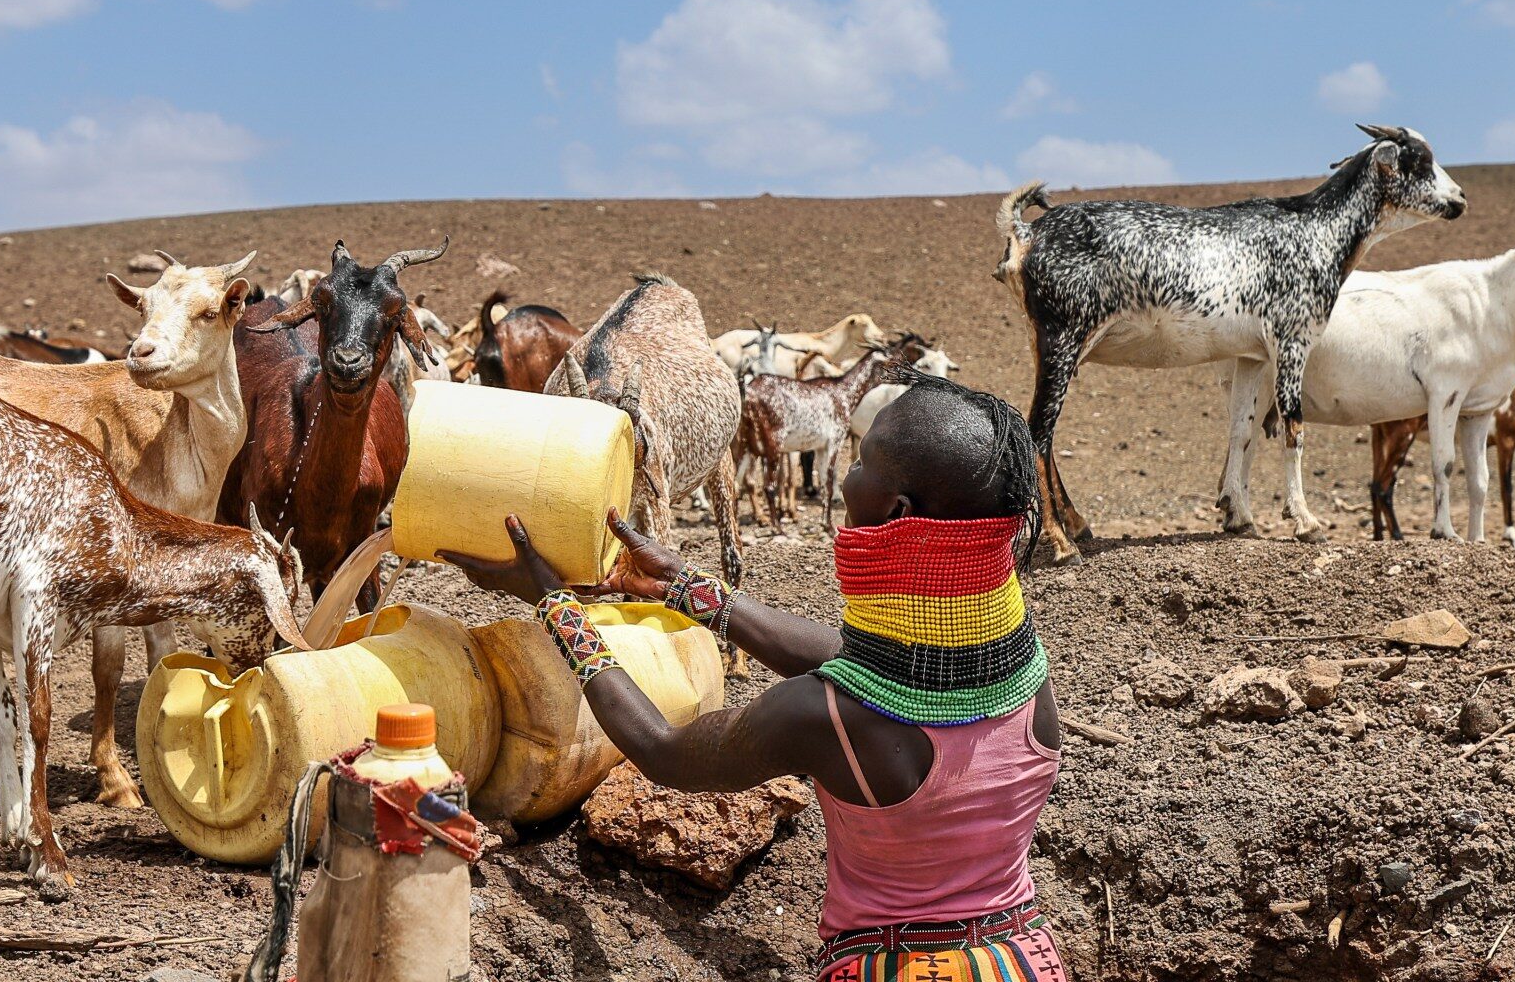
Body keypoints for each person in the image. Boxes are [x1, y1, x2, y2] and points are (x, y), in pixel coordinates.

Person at [442, 368, 1067, 982]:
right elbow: (867, 662)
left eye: (860, 459)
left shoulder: (822, 720)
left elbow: (663, 750)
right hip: (1025, 958)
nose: (846, 473)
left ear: (895, 509)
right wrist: (681, 586)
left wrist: (555, 607)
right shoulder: (1023, 671)